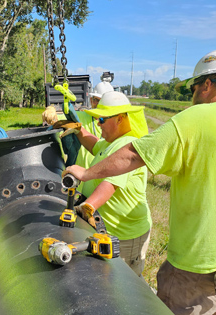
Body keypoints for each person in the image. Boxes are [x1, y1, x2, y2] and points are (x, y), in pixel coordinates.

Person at [65, 49, 216, 315]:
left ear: (206, 84)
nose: (192, 95)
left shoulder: (195, 118)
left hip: (202, 262)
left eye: (193, 87)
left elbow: (134, 155)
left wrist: (85, 173)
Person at [59, 91, 151, 276]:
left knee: (125, 287)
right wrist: (78, 129)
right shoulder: (112, 143)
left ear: (119, 119)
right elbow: (94, 145)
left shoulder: (126, 145)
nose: (98, 125)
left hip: (124, 236)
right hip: (110, 230)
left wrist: (86, 207)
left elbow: (110, 183)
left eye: (102, 120)